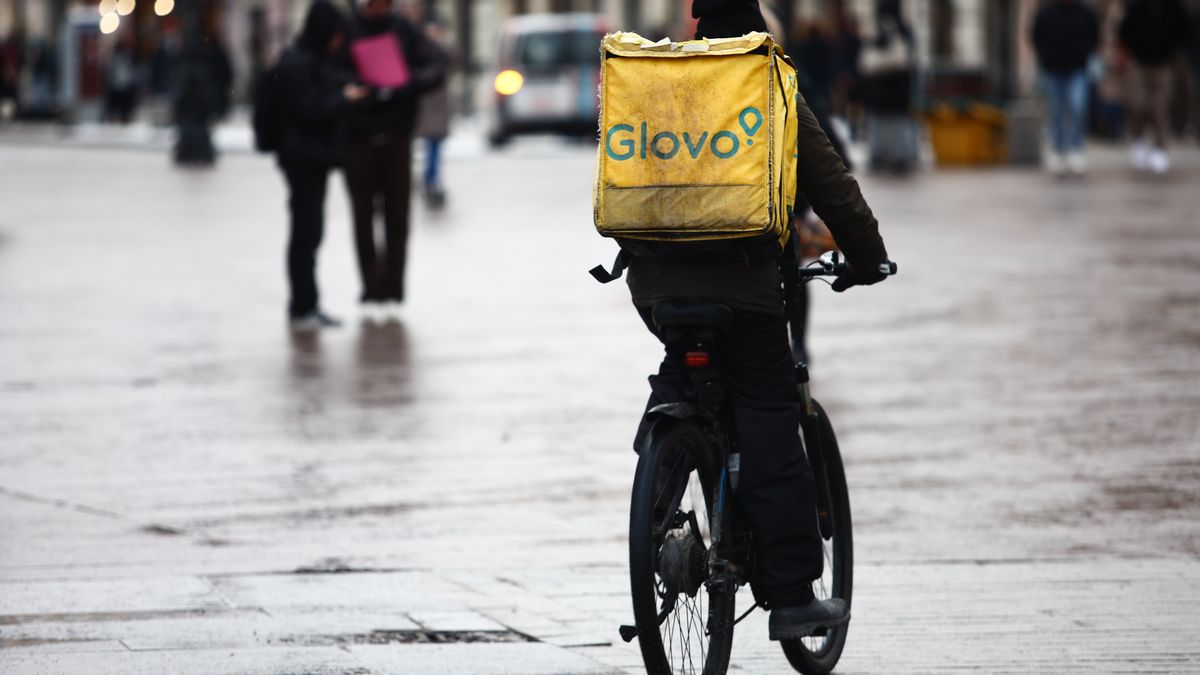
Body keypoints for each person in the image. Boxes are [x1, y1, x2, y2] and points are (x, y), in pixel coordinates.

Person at [627, 0, 891, 639]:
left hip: (659, 290)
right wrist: (868, 257)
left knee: (681, 381)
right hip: (744, 296)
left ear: (698, 28)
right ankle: (795, 594)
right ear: (760, 33)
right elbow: (833, 187)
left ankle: (653, 512)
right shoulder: (769, 85)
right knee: (769, 415)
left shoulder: (660, 85)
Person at [342, 0, 447, 320]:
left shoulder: (405, 31)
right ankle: (370, 286)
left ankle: (393, 288)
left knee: (397, 215)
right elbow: (331, 70)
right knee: (362, 216)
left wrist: (404, 82)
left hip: (398, 136)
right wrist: (359, 87)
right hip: (358, 137)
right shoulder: (349, 30)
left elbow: (435, 67)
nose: (379, 8)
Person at [275, 0, 368, 330]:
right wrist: (344, 99)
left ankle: (306, 303)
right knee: (306, 233)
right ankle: (302, 306)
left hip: (309, 156)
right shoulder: (300, 63)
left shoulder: (309, 59)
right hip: (303, 158)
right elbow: (308, 110)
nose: (338, 42)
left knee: (309, 232)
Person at [1119, 0, 1193, 174]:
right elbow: (1125, 30)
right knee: (1138, 103)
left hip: (1163, 64)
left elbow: (1186, 30)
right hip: (1139, 62)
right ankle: (1138, 139)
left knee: (1160, 107)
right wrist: (1133, 48)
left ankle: (1160, 149)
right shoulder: (1137, 6)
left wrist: (1173, 51)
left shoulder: (1173, 7)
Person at [1032, 0, 1100, 176]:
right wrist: (1045, 57)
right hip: (1053, 69)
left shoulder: (1086, 13)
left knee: (1078, 107)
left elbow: (1094, 36)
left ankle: (1076, 150)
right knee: (1055, 110)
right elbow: (1036, 36)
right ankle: (1057, 151)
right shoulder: (1047, 13)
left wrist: (1085, 55)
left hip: (1077, 69)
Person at [859, 0, 918, 173]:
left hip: (882, 86)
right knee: (897, 122)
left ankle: (885, 155)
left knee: (883, 122)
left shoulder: (881, 28)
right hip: (898, 86)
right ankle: (900, 155)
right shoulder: (903, 29)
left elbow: (868, 59)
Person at [413, 18, 454, 208]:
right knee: (431, 149)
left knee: (434, 148)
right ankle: (429, 181)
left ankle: (431, 181)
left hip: (438, 110)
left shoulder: (440, 52)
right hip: (429, 110)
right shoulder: (422, 54)